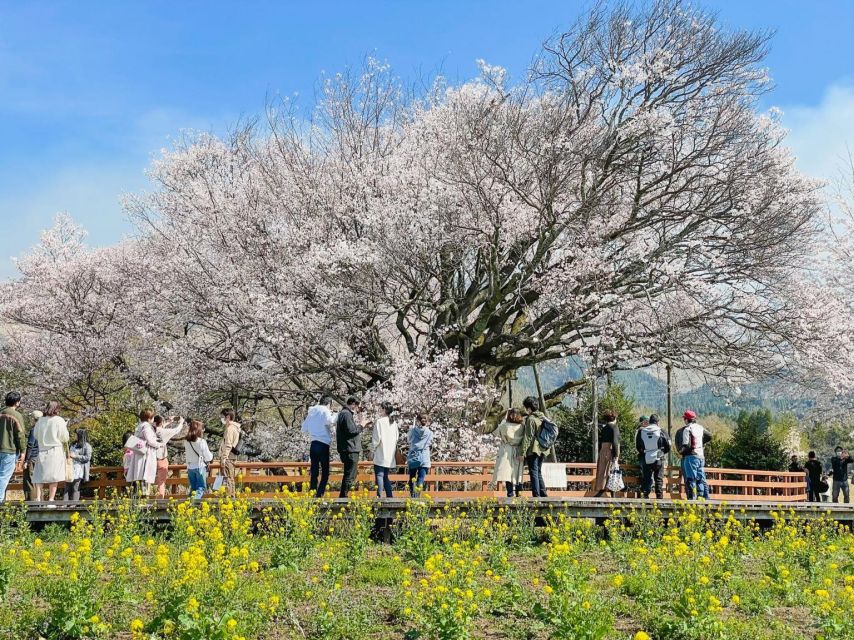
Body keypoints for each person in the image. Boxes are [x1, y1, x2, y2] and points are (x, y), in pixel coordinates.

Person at [32, 401, 70, 502]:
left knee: (39, 475)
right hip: (55, 450)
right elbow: (65, 438)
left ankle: (38, 498)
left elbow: (35, 435)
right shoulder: (59, 420)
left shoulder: (40, 420)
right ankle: (51, 499)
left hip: (42, 450)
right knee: (53, 477)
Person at [301, 395, 337, 498]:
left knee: (314, 471)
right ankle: (319, 494)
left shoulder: (311, 412)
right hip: (323, 444)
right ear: (329, 403)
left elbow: (303, 428)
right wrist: (336, 415)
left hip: (313, 444)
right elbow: (331, 421)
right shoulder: (325, 410)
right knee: (325, 472)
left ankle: (312, 492)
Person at [126, 408, 160, 495]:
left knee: (138, 475)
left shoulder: (139, 426)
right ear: (149, 418)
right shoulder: (147, 427)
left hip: (138, 453)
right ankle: (144, 496)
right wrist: (159, 444)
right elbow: (150, 441)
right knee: (145, 475)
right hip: (146, 454)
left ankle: (138, 496)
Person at [636, 414, 671, 499]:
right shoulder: (661, 430)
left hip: (646, 456)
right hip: (659, 456)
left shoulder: (641, 431)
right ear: (657, 422)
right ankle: (659, 497)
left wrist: (644, 451)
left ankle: (645, 496)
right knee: (658, 478)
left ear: (649, 422)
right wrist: (663, 452)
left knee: (646, 478)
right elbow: (668, 444)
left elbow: (638, 446)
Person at [336, 397, 365, 498]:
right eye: (357, 406)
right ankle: (343, 497)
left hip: (347, 448)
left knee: (348, 474)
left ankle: (343, 496)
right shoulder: (346, 414)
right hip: (350, 449)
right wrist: (362, 425)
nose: (357, 409)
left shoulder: (343, 414)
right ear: (353, 404)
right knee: (350, 475)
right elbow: (352, 431)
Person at [492, 408, 525, 497]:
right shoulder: (522, 426)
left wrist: (505, 418)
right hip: (519, 450)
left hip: (507, 449)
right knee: (518, 473)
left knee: (507, 472)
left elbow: (496, 432)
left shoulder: (505, 425)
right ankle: (519, 493)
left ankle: (510, 493)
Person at [679, 410, 711, 500]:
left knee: (691, 478)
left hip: (691, 456)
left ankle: (692, 498)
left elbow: (686, 445)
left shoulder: (687, 429)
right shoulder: (700, 427)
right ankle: (701, 497)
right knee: (700, 478)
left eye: (684, 419)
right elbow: (709, 436)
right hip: (701, 455)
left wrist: (681, 451)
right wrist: (701, 443)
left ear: (686, 419)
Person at [0, 392, 26, 502]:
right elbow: (20, 435)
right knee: (4, 476)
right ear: (17, 402)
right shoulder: (16, 415)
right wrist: (23, 451)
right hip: (9, 450)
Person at [590, 410, 620, 498]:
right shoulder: (614, 427)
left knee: (602, 471)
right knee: (611, 471)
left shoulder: (605, 428)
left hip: (603, 451)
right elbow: (615, 442)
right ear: (614, 418)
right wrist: (616, 455)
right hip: (610, 450)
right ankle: (613, 494)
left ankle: (600, 491)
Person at [153, 415, 185, 498]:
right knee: (161, 482)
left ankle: (144, 498)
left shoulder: (149, 431)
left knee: (147, 480)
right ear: (161, 422)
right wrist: (181, 422)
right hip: (161, 459)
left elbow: (159, 427)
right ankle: (160, 499)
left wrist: (169, 422)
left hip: (150, 459)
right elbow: (176, 430)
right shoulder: (164, 432)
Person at [372, 402, 399, 498]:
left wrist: (372, 449)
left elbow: (376, 439)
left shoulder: (380, 422)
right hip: (390, 454)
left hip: (381, 452)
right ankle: (389, 496)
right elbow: (396, 438)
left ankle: (379, 496)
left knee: (379, 475)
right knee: (385, 476)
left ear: (384, 409)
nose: (379, 410)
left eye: (381, 408)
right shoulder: (394, 423)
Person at [184, 420, 213, 500]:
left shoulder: (186, 441)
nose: (203, 430)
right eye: (202, 428)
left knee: (193, 488)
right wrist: (211, 456)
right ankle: (194, 503)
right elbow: (208, 457)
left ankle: (189, 502)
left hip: (190, 467)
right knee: (200, 488)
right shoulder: (201, 442)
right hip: (199, 467)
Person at [407, 413, 433, 497]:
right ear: (427, 421)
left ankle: (412, 496)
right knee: (421, 479)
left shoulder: (412, 431)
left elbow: (408, 440)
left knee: (412, 478)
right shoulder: (430, 433)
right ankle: (417, 497)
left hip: (413, 456)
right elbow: (430, 443)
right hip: (424, 458)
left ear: (418, 421)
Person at [218, 408, 242, 497]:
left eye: (222, 416)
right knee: (230, 479)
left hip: (228, 458)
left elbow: (228, 445)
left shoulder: (230, 429)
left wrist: (224, 458)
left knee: (227, 479)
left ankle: (229, 499)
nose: (221, 419)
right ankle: (232, 498)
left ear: (227, 417)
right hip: (232, 457)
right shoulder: (235, 428)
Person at [65, 428, 92, 501]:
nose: (74, 436)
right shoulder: (73, 444)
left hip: (79, 469)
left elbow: (87, 458)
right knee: (67, 487)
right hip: (70, 468)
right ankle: (64, 504)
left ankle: (73, 505)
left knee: (75, 488)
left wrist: (75, 456)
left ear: (80, 435)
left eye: (76, 434)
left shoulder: (87, 446)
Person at [22, 410, 43, 501]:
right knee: (39, 481)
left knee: (29, 481)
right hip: (41, 458)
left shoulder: (34, 429)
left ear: (34, 419)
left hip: (33, 458)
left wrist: (26, 461)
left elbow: (30, 445)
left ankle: (31, 502)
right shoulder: (44, 429)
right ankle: (40, 502)